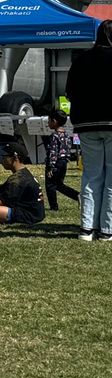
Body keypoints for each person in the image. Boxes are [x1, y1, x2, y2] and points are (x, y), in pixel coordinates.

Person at [66, 19, 112, 241]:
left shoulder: (81, 60)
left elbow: (70, 93)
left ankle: (86, 228)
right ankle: (106, 229)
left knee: (91, 176)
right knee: (111, 178)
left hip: (85, 124)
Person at [43, 109, 79, 211]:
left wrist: (50, 166)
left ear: (54, 121)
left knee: (50, 185)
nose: (48, 123)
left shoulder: (54, 136)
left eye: (49, 121)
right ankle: (77, 196)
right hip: (64, 162)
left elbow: (53, 152)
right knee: (59, 184)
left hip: (56, 163)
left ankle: (54, 207)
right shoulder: (67, 135)